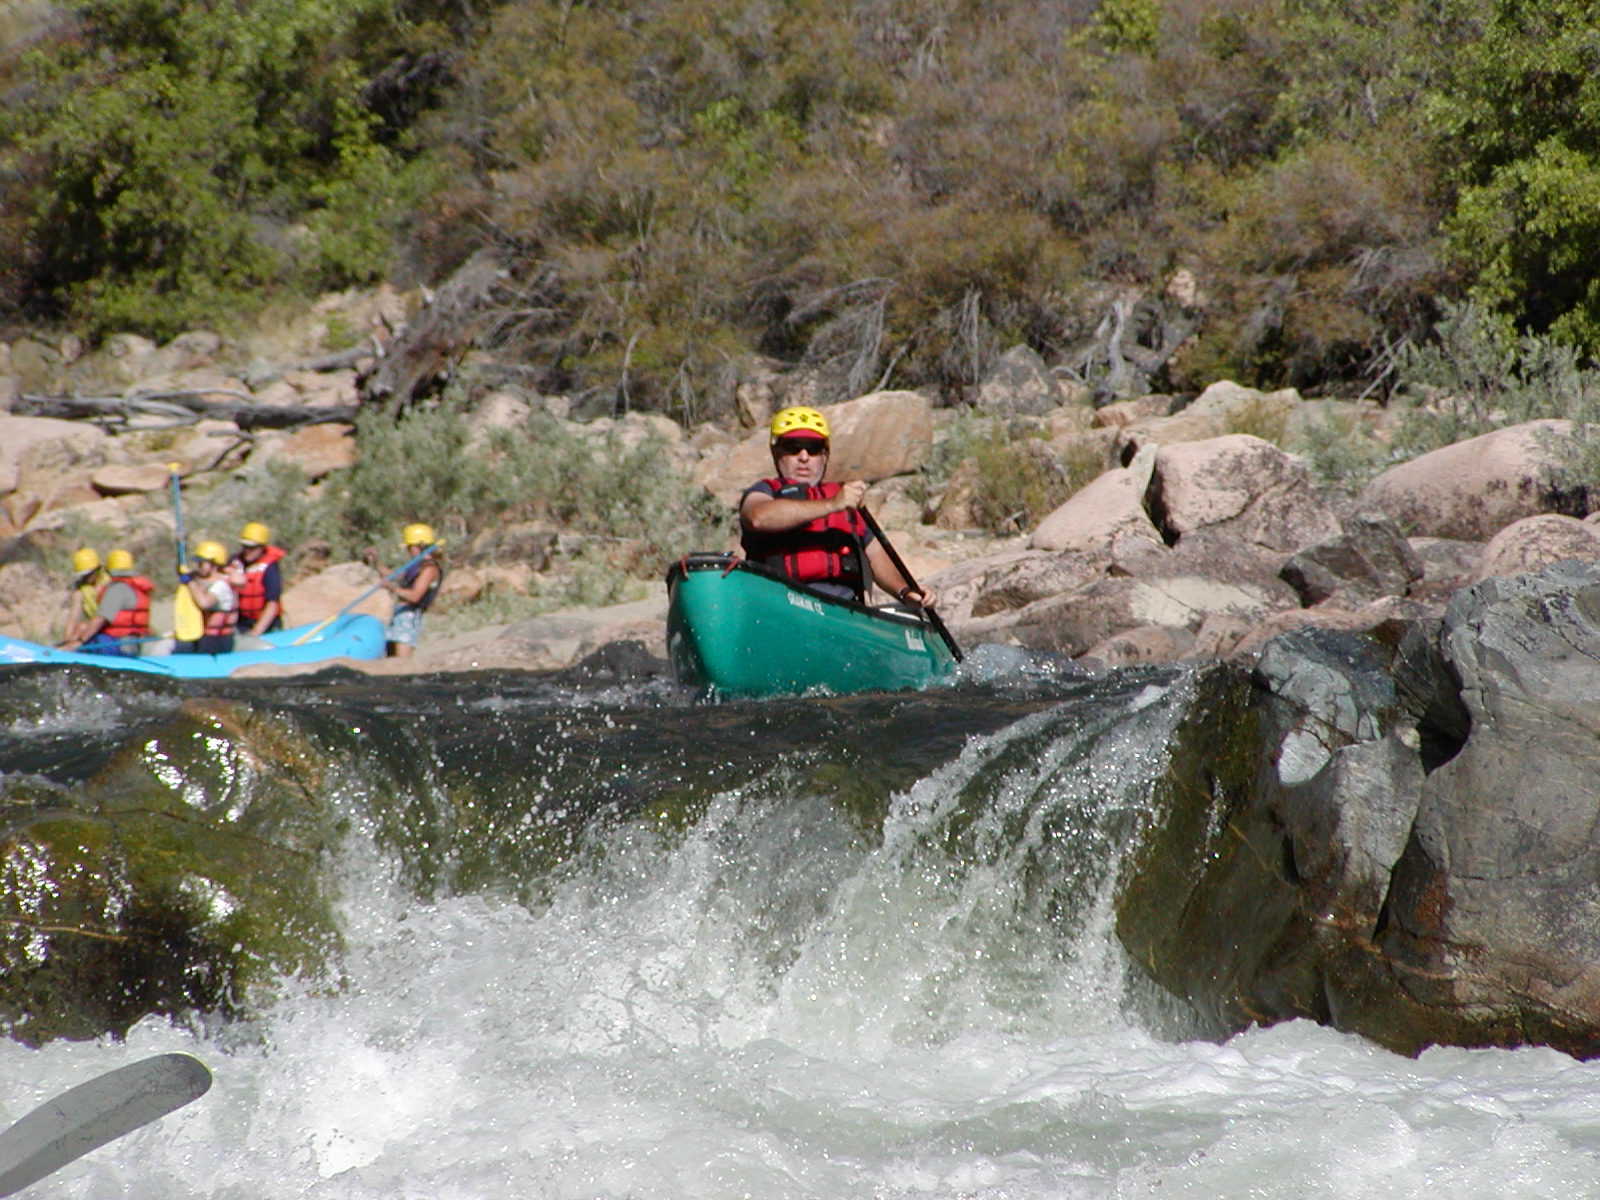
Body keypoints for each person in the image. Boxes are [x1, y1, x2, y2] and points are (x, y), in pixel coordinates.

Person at [739, 406, 937, 608]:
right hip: (779, 603)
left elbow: (878, 556)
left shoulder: (847, 499)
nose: (804, 457)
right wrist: (833, 505)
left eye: (813, 448)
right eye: (793, 447)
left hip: (843, 607)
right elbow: (758, 517)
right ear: (776, 452)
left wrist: (905, 591)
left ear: (825, 455)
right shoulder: (764, 491)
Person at [62, 548, 152, 657]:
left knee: (83, 629)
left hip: (117, 644)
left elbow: (100, 619)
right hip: (126, 642)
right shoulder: (133, 587)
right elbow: (74, 616)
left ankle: (67, 654)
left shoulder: (116, 589)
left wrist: (79, 642)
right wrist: (67, 642)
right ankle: (65, 650)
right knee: (82, 628)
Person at [380, 523, 443, 658]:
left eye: (409, 547)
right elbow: (394, 575)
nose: (408, 551)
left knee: (401, 660)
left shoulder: (429, 569)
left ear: (417, 547)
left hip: (409, 617)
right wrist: (375, 563)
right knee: (390, 657)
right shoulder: (416, 566)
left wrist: (392, 588)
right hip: (400, 614)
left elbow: (415, 596)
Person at [175, 540, 238, 655]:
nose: (198, 567)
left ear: (214, 564)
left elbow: (204, 603)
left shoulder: (222, 586)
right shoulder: (203, 580)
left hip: (218, 640)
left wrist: (190, 582)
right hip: (201, 635)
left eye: (202, 563)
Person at [228, 520, 286, 636]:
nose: (247, 551)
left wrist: (256, 633)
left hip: (267, 625)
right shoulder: (234, 562)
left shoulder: (270, 568)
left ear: (262, 547)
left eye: (252, 547)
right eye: (245, 546)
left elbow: (272, 605)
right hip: (241, 623)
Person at [58, 547, 105, 646]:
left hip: (108, 629)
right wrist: (67, 639)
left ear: (96, 570)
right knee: (81, 627)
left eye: (87, 575)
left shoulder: (109, 584)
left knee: (83, 627)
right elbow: (73, 616)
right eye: (83, 576)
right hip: (93, 629)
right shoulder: (80, 590)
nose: (85, 579)